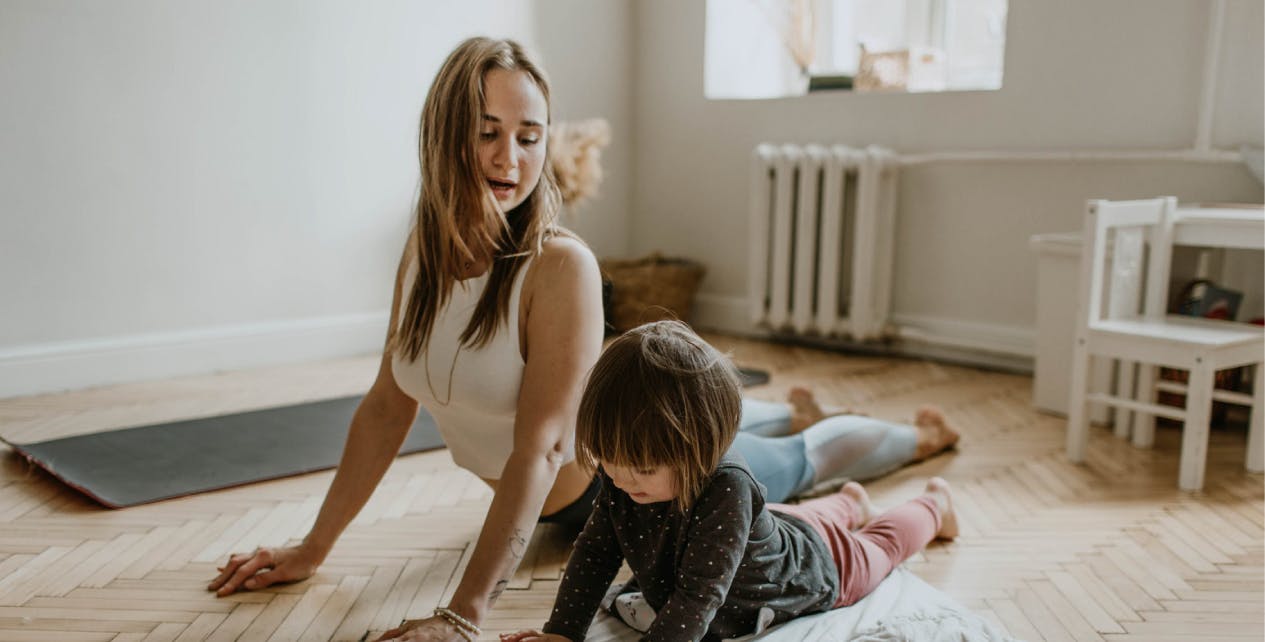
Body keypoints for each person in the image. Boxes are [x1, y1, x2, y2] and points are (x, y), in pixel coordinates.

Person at [206, 37, 958, 642]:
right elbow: (383, 409)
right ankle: (786, 416)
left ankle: (915, 440)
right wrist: (313, 549)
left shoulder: (558, 266)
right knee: (769, 446)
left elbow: (538, 451)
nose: (511, 159)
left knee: (797, 461)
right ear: (443, 136)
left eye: (529, 137)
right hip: (614, 460)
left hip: (623, 485)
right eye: (487, 133)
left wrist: (463, 615)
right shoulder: (422, 256)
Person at [501, 321, 959, 642]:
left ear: (699, 449)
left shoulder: (727, 489)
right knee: (797, 520)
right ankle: (848, 503)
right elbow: (596, 553)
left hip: (813, 569)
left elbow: (699, 597)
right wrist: (562, 631)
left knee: (880, 546)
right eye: (609, 463)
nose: (619, 480)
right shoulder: (625, 477)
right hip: (770, 530)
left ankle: (934, 505)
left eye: (640, 469)